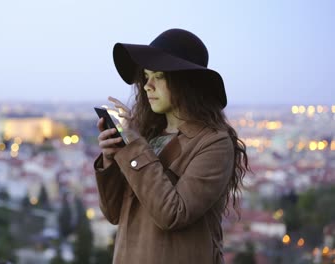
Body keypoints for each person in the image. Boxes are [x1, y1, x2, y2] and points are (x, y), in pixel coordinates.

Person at [94, 28, 250, 264]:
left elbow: (173, 214)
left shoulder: (214, 143)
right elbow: (113, 213)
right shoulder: (146, 136)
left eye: (159, 76)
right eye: (146, 76)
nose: (147, 85)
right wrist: (111, 158)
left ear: (186, 82)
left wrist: (134, 146)